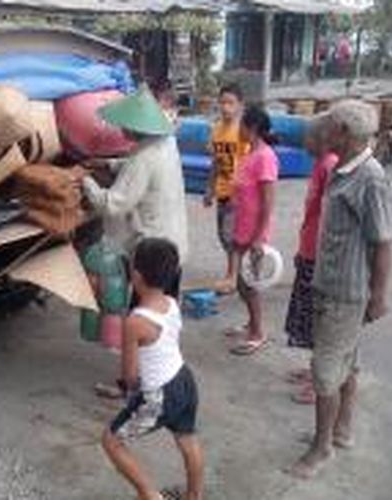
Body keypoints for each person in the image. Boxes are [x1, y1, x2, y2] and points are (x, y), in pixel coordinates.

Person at [288, 100, 392, 479]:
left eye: (329, 127)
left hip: (345, 293)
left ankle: (321, 447)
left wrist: (379, 295)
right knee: (347, 362)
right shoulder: (342, 169)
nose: (323, 132)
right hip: (330, 285)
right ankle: (341, 431)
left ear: (345, 134)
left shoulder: (370, 177)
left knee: (325, 372)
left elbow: (382, 241)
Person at [102, 238, 204, 500]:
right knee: (187, 440)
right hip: (184, 380)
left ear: (135, 276)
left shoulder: (135, 321)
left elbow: (130, 375)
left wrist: (129, 393)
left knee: (112, 441)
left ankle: (149, 495)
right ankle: (194, 496)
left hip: (159, 394)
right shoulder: (171, 303)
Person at [83, 84, 189, 298]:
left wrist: (83, 180)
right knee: (165, 311)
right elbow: (140, 168)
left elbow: (112, 204)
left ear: (136, 126)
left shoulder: (143, 158)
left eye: (125, 124)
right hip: (174, 243)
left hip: (154, 252)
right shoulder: (166, 143)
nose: (121, 129)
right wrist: (109, 164)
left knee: (146, 314)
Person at [285, 115, 339, 405]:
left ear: (322, 139)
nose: (304, 142)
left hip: (319, 256)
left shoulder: (330, 165)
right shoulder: (320, 164)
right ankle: (313, 371)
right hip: (309, 251)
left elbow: (330, 217)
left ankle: (319, 383)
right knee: (307, 316)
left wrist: (317, 256)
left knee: (317, 319)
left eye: (308, 137)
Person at [226, 106, 279, 356]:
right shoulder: (250, 153)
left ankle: (258, 333)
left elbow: (268, 203)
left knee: (250, 283)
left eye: (242, 125)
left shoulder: (266, 157)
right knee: (242, 282)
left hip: (254, 232)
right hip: (242, 227)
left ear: (253, 128)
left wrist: (259, 237)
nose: (239, 129)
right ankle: (251, 323)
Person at [203, 84, 248, 295]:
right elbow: (216, 163)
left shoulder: (243, 132)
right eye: (222, 102)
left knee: (230, 235)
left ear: (240, 105)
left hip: (238, 193)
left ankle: (233, 276)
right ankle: (237, 272)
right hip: (222, 191)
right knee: (223, 236)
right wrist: (209, 189)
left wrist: (243, 193)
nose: (225, 107)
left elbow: (249, 164)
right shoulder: (216, 130)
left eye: (230, 103)